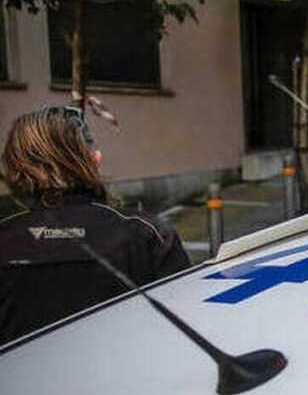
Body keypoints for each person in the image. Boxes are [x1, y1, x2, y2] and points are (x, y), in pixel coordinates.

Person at [0, 105, 190, 345]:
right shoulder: (146, 234)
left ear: (15, 168)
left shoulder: (5, 239)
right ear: (94, 159)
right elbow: (186, 327)